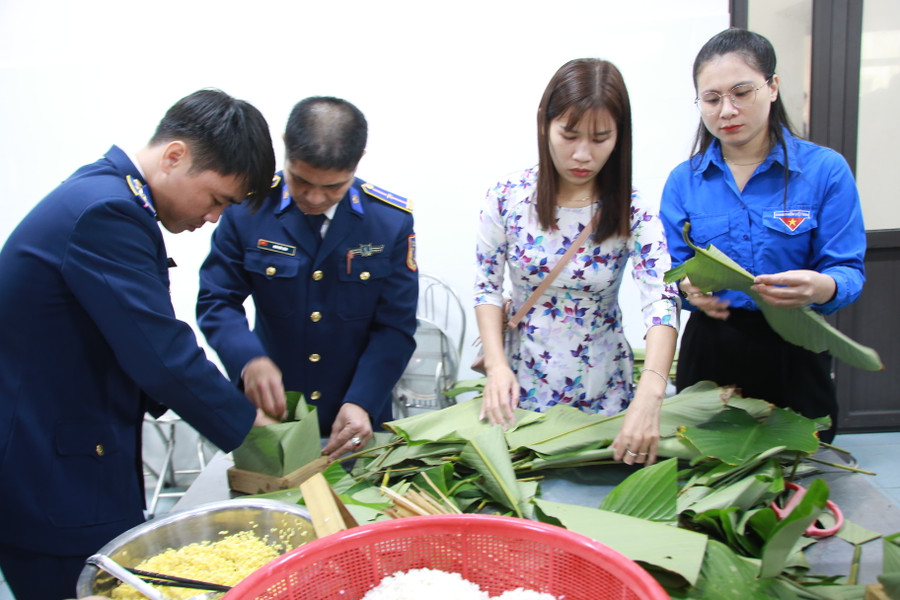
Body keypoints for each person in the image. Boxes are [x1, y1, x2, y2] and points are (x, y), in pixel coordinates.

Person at [0, 89, 278, 600]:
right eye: (217, 200)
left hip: (77, 452)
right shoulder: (105, 212)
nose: (214, 218)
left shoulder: (106, 197)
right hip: (50, 475)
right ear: (175, 156)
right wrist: (254, 431)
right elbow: (162, 353)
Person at [659, 28, 867, 444]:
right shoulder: (685, 181)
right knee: (707, 473)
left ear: (772, 87)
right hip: (712, 352)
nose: (727, 110)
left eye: (741, 92)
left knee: (799, 472)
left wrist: (820, 286)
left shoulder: (825, 171)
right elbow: (670, 273)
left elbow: (848, 271)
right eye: (712, 99)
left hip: (795, 346)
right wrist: (687, 288)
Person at [473, 58, 680, 466]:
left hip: (604, 391)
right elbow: (486, 285)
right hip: (522, 385)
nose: (582, 154)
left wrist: (651, 393)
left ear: (620, 137)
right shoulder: (508, 197)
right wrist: (496, 366)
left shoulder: (632, 210)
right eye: (569, 134)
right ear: (543, 125)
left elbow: (661, 300)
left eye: (601, 138)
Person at [197, 96, 418, 460]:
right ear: (284, 146)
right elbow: (217, 300)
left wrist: (362, 400)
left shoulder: (389, 221)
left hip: (355, 418)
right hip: (271, 412)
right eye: (300, 181)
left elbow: (394, 326)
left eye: (333, 187)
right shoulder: (248, 209)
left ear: (358, 160)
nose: (314, 197)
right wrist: (248, 360)